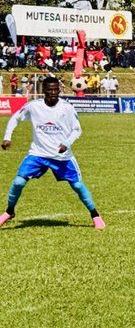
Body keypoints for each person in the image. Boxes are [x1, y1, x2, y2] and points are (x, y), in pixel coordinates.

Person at [1, 76, 104, 230]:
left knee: (77, 186)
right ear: (44, 90)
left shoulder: (67, 108)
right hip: (38, 154)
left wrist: (66, 144)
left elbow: (77, 130)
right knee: (18, 182)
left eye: (56, 89)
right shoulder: (33, 106)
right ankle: (9, 212)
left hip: (61, 157)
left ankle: (95, 215)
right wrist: (7, 137)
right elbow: (15, 118)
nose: (53, 93)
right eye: (50, 90)